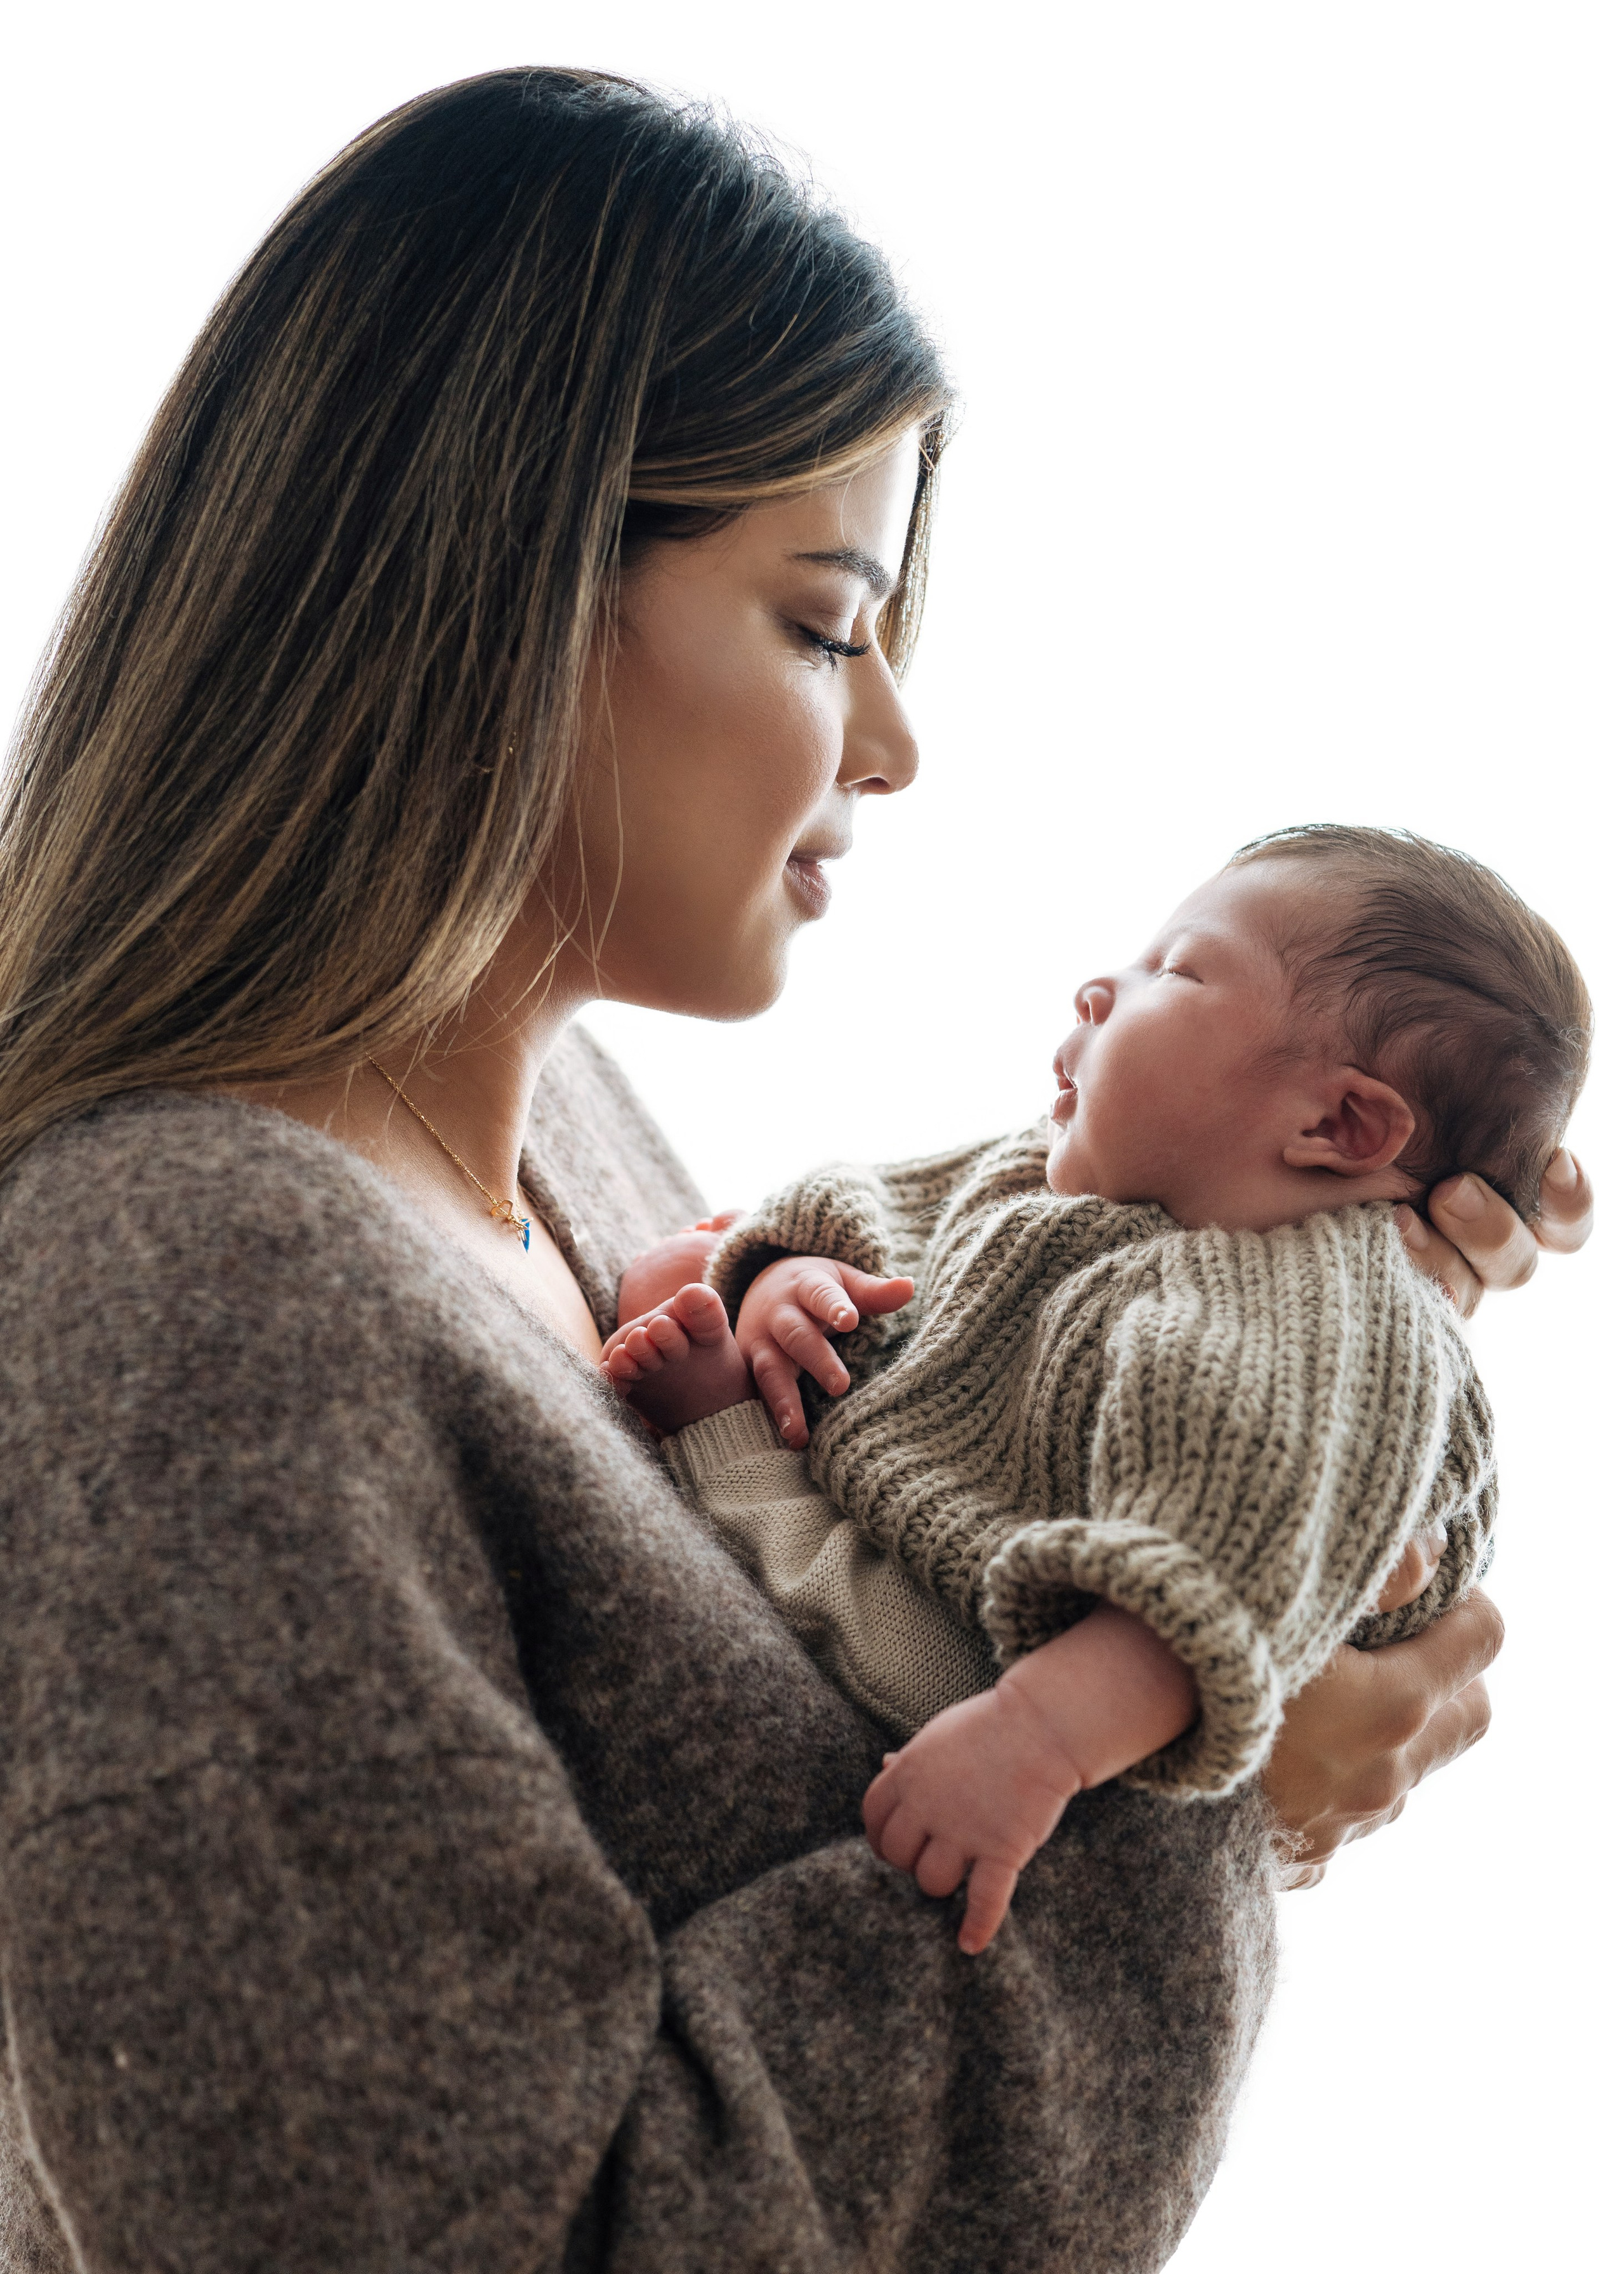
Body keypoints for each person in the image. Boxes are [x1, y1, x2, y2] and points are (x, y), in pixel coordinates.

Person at [0, 66, 1588, 2274]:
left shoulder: (559, 1139)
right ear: (504, 585)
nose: (897, 739)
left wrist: (1324, 1344)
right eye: (826, 620)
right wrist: (1215, 1807)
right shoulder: (190, 1300)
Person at [599, 824, 1590, 1952]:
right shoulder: (1074, 1181)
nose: (1098, 985)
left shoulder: (1322, 1315)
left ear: (1338, 1124)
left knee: (914, 1675)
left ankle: (716, 1439)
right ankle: (734, 1424)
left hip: (1053, 1670)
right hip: (940, 1539)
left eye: (1176, 969)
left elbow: (1212, 1569)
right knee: (704, 1266)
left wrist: (1037, 1738)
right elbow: (887, 1213)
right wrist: (790, 1277)